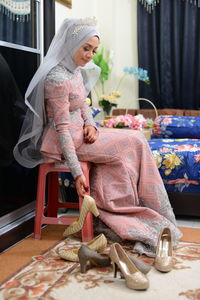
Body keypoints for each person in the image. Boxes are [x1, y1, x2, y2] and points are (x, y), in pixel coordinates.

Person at [13, 17, 181, 257]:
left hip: (82, 135)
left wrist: (92, 125)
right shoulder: (56, 79)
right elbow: (62, 128)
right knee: (135, 141)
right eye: (86, 48)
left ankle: (121, 215)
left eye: (94, 50)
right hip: (65, 142)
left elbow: (83, 107)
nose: (90, 54)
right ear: (72, 43)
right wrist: (77, 173)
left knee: (132, 142)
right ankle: (132, 216)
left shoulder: (75, 72)